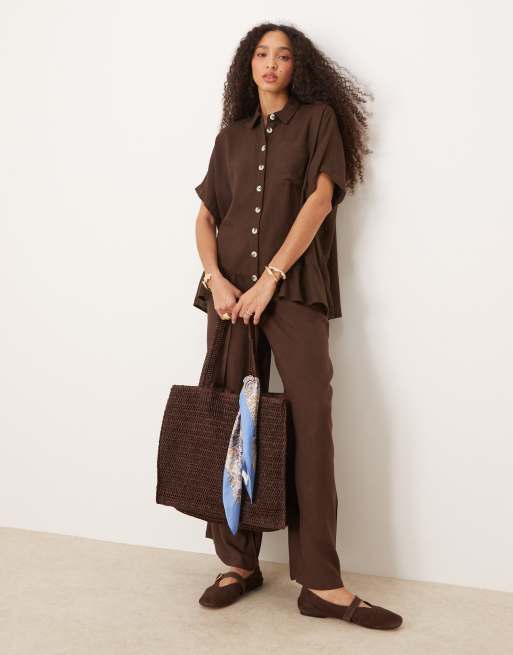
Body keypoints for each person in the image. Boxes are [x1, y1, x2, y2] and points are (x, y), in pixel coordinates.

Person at [192, 23, 403, 630]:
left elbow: (319, 201)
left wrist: (271, 279)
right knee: (233, 422)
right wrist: (217, 279)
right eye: (261, 54)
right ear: (248, 64)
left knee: (311, 423)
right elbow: (206, 216)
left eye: (283, 56)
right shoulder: (230, 137)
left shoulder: (318, 122)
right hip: (230, 297)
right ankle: (238, 563)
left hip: (294, 291)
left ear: (297, 67)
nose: (271, 64)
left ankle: (321, 582)